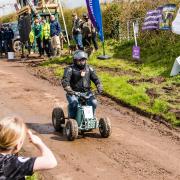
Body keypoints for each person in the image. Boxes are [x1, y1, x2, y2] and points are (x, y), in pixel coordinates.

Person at [61, 50, 103, 118]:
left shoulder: (89, 68)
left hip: (87, 93)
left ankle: (90, 117)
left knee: (94, 103)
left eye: (83, 60)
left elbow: (96, 79)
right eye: (80, 60)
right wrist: (68, 88)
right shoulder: (70, 69)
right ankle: (72, 118)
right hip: (73, 93)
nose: (82, 62)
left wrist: (99, 85)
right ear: (75, 60)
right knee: (74, 103)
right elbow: (65, 80)